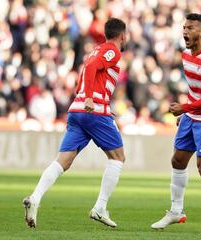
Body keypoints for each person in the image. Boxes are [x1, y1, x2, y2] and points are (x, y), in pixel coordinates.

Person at [23, 18, 127, 228]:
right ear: (122, 36)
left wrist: (86, 97)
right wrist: (91, 98)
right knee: (118, 157)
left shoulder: (96, 50)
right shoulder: (113, 50)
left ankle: (35, 197)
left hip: (77, 110)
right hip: (93, 109)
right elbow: (90, 69)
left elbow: (85, 73)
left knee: (63, 160)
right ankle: (100, 207)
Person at [151, 13, 201, 234]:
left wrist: (184, 108)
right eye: (184, 27)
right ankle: (176, 211)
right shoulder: (186, 55)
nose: (185, 31)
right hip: (192, 115)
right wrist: (187, 113)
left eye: (191, 28)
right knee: (178, 160)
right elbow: (196, 90)